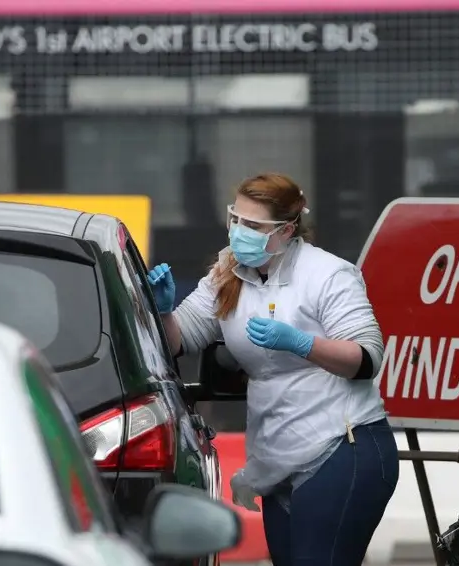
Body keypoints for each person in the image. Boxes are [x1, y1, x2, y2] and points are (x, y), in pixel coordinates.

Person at [146, 173, 398, 566]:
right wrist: (162, 311)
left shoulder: (329, 274)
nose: (239, 232)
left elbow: (366, 358)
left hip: (340, 444)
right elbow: (181, 339)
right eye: (236, 219)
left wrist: (302, 343)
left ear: (286, 230)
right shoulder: (228, 271)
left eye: (254, 226)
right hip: (278, 451)